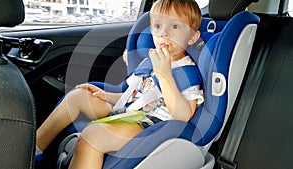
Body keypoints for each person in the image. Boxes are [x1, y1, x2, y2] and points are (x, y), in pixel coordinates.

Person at [35, 0, 204, 168]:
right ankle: (35, 148)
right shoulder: (150, 60)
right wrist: (105, 95)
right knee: (78, 96)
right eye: (158, 26)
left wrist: (165, 76)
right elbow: (134, 94)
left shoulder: (187, 72)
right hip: (128, 111)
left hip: (150, 125)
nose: (163, 34)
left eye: (174, 27)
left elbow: (183, 116)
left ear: (192, 37)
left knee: (91, 136)